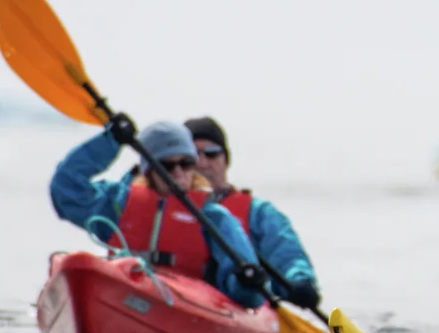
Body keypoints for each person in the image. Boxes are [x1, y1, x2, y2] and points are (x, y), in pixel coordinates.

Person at [50, 116, 270, 308]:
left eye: (186, 164)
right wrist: (110, 141)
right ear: (148, 169)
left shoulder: (214, 217)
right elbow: (65, 188)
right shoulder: (116, 202)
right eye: (167, 165)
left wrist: (247, 284)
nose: (178, 173)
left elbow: (247, 295)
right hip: (126, 291)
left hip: (186, 303)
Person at [184, 116, 323, 313]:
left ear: (226, 160)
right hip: (177, 297)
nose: (202, 163)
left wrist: (299, 281)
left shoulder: (259, 213)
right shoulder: (161, 208)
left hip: (239, 307)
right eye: (193, 156)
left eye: (212, 154)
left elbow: (287, 255)